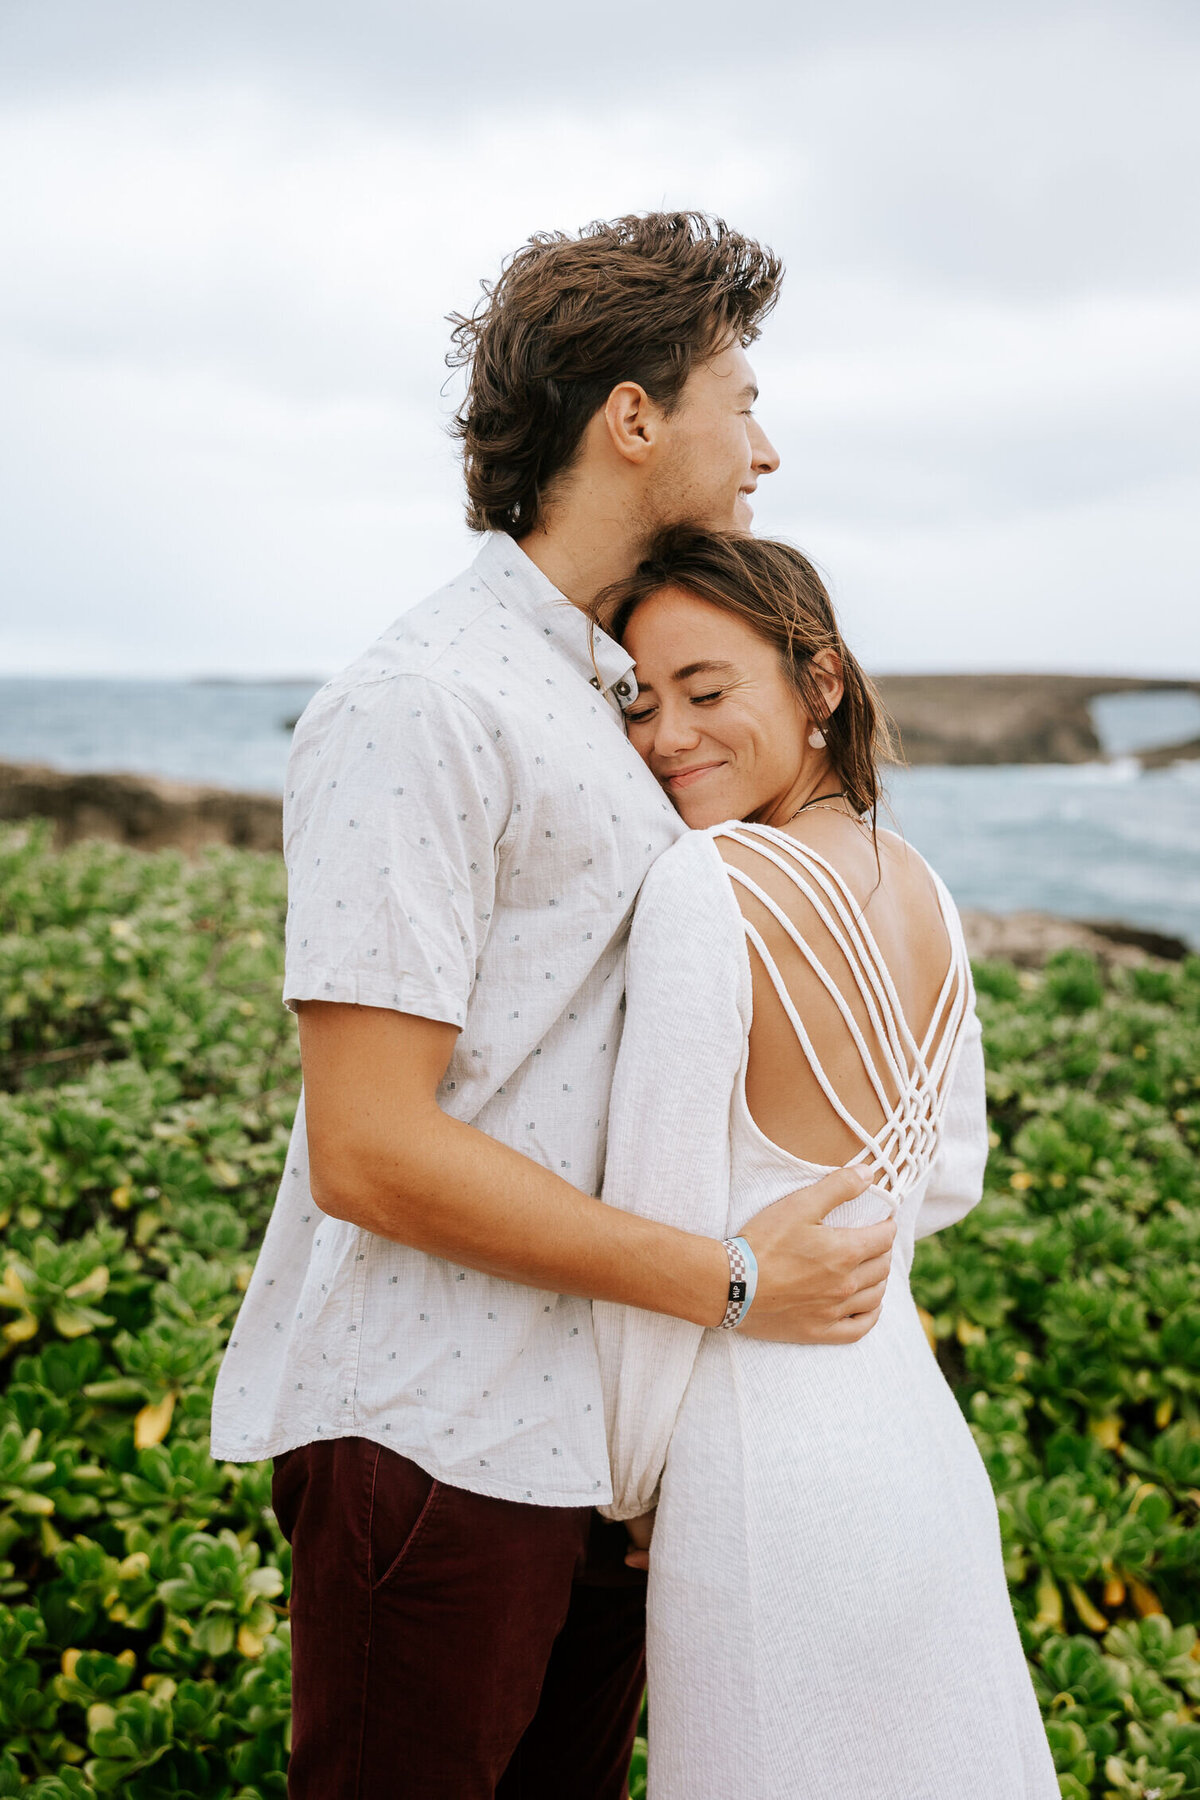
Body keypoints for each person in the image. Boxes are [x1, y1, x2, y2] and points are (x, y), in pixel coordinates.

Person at [210, 213, 899, 1800]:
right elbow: (367, 1154)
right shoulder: (422, 703)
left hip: (595, 1456)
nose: (767, 446)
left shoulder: (624, 706)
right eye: (741, 394)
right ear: (635, 415)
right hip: (430, 1441)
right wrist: (728, 1283)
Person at [592, 526, 1059, 1798]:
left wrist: (632, 1488)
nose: (665, 735)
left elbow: (658, 1213)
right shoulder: (926, 888)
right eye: (639, 701)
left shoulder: (709, 882)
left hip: (761, 1477)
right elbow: (948, 1175)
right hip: (910, 1440)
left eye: (706, 690)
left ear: (821, 684)